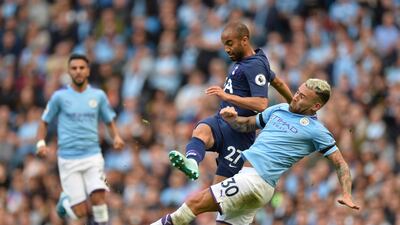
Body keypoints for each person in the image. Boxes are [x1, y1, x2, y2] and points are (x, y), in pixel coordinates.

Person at [153, 78, 360, 225]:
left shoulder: (317, 131)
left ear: (316, 105)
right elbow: (247, 126)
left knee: (193, 203)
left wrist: (347, 194)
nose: (296, 97)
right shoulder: (279, 109)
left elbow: (340, 163)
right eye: (298, 92)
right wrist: (232, 118)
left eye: (303, 97)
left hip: (255, 181)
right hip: (253, 183)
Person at [169, 22, 293, 185]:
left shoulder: (254, 65)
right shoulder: (252, 61)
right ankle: (192, 162)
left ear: (244, 40)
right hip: (222, 121)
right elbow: (278, 82)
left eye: (230, 43)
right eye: (224, 45)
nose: (226, 49)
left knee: (219, 194)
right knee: (201, 130)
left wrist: (227, 96)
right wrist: (293, 104)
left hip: (239, 134)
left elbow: (261, 104)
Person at [35, 54, 125, 224]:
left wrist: (117, 137)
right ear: (69, 71)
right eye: (74, 68)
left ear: (88, 71)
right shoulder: (59, 97)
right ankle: (65, 201)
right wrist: (41, 143)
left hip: (93, 156)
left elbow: (109, 120)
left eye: (81, 68)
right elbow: (44, 121)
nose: (78, 71)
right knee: (81, 212)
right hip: (68, 159)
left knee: (99, 198)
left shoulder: (98, 96)